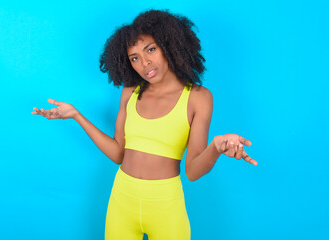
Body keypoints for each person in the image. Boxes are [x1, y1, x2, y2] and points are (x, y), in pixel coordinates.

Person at [32, 9, 257, 240]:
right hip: (122, 198)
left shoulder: (198, 97)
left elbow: (192, 171)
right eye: (134, 58)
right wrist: (77, 116)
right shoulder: (130, 91)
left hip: (165, 205)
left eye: (150, 49)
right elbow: (118, 153)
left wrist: (216, 147)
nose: (145, 62)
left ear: (167, 45)